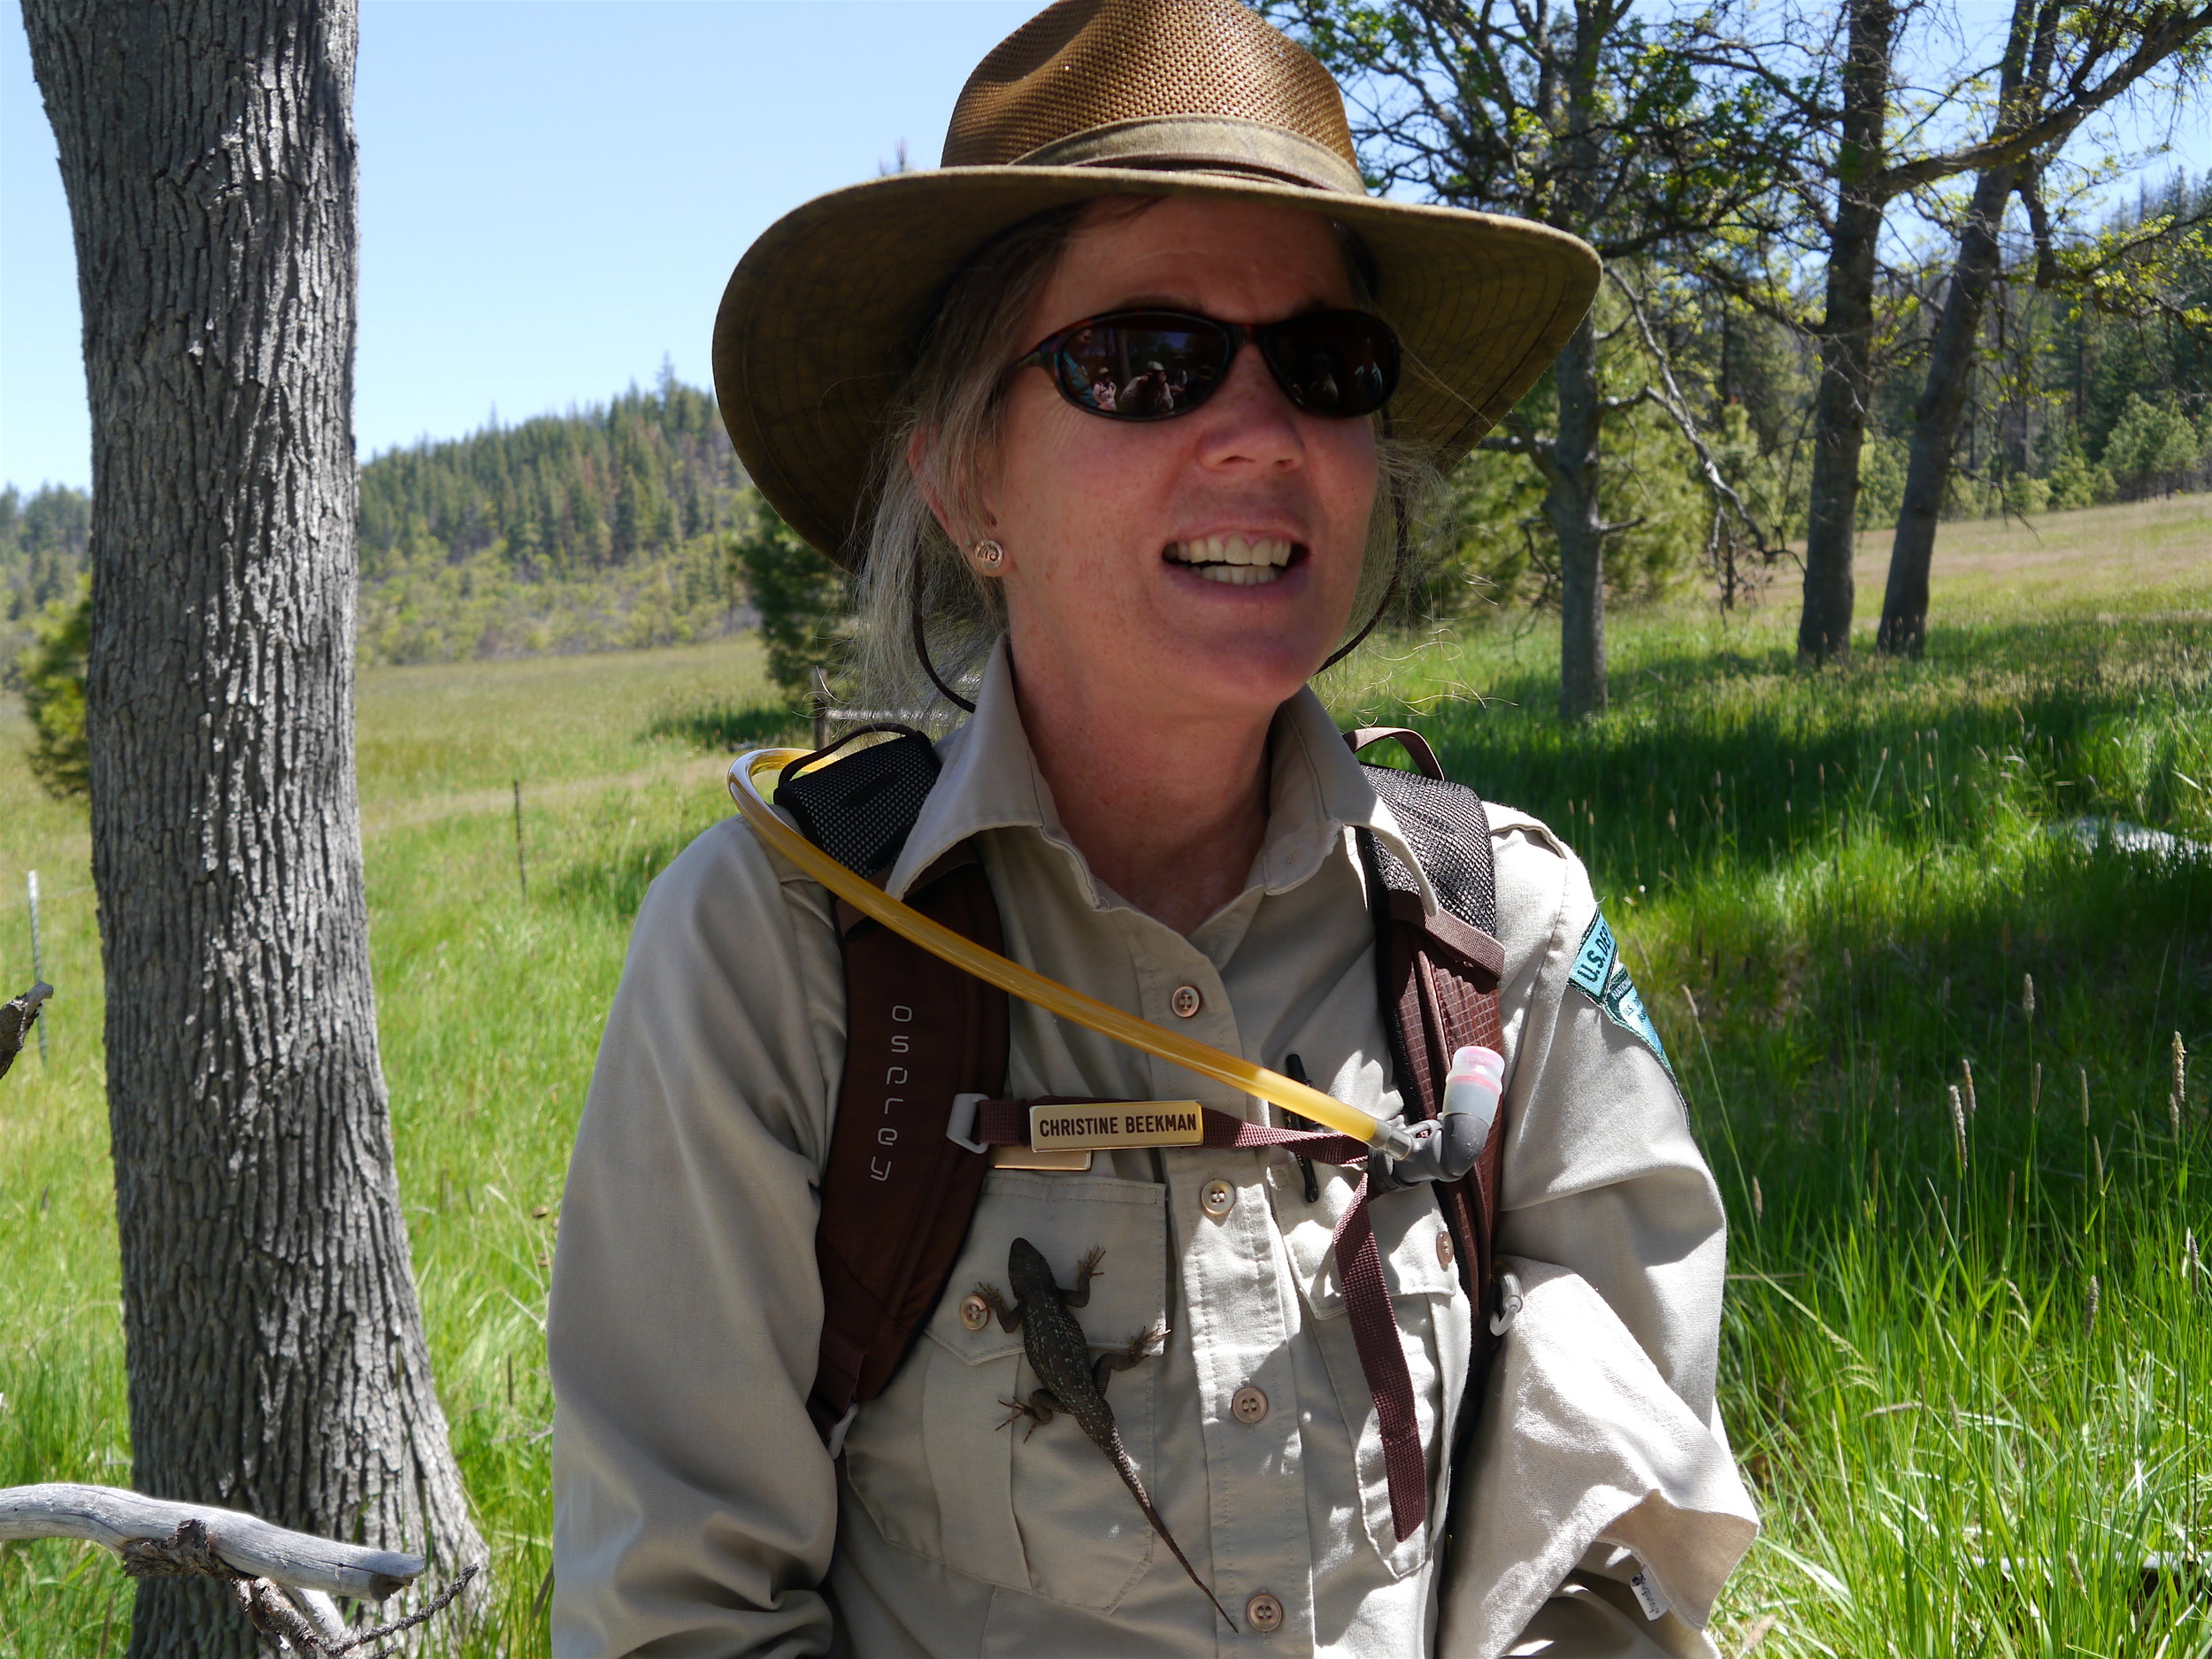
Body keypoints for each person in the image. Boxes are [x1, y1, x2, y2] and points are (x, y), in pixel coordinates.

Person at [549, 3, 1756, 1655]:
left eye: (1326, 367)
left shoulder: (1501, 930)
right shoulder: (780, 955)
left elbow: (1613, 1539)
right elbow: (680, 1618)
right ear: (969, 487)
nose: (1261, 429)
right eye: (1145, 360)